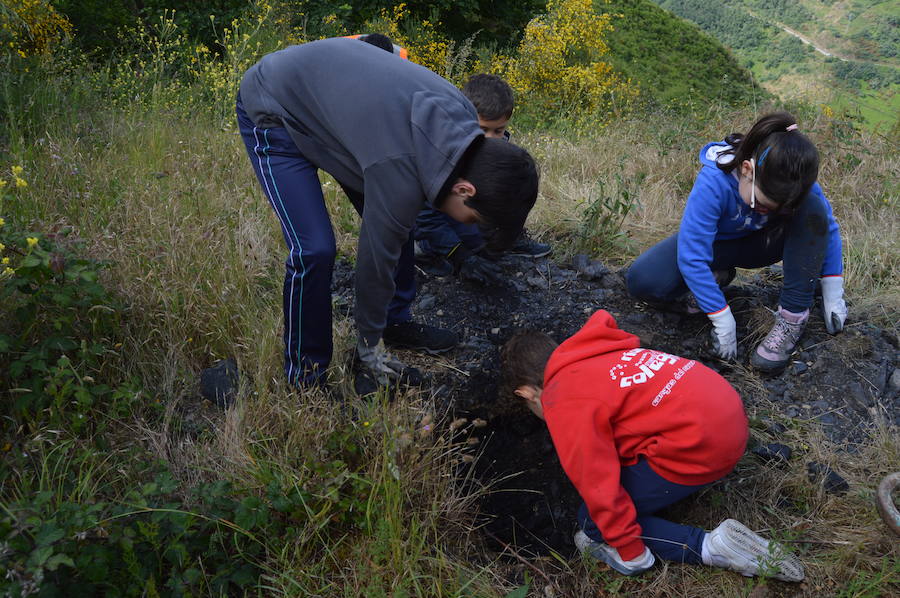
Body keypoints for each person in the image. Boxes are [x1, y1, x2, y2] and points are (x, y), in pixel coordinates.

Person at [236, 38, 539, 393]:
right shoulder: (397, 168)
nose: (466, 224)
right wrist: (368, 345)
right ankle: (306, 378)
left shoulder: (462, 130)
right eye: (471, 219)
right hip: (275, 105)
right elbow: (375, 260)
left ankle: (393, 322)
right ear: (464, 189)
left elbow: (403, 221)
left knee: (400, 220)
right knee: (314, 250)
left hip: (340, 114)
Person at [499, 310, 805, 581]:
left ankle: (710, 546)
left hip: (703, 447)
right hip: (727, 415)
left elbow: (597, 484)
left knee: (592, 523)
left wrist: (631, 553)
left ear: (526, 392)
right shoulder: (593, 354)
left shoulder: (562, 398)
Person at [626, 112, 846, 372]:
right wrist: (722, 318)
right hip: (719, 248)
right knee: (643, 280)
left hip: (767, 245)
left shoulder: (790, 179)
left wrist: (833, 290)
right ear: (746, 170)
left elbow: (825, 228)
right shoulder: (714, 181)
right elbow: (693, 255)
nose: (766, 211)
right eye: (762, 204)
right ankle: (716, 277)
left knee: (812, 206)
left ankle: (792, 319)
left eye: (777, 208)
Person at [415, 74, 551, 285]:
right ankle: (427, 250)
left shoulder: (499, 149)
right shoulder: (441, 155)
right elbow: (423, 215)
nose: (491, 138)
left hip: (469, 216)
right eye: (483, 129)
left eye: (499, 130)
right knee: (466, 249)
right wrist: (459, 254)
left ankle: (506, 241)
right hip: (435, 223)